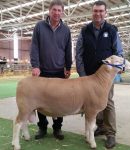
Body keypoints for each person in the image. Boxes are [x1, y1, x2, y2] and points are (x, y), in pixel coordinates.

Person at [75, 1, 123, 149]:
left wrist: (119, 68)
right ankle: (97, 127)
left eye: (101, 11)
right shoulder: (85, 30)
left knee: (106, 102)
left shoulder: (112, 30)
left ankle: (110, 133)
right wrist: (82, 74)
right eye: (95, 11)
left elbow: (118, 52)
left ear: (105, 13)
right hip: (88, 74)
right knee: (90, 103)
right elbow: (79, 54)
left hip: (105, 76)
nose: (98, 14)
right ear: (92, 12)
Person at [30, 0, 72, 140]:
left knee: (60, 101)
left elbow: (68, 50)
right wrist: (35, 66)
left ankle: (57, 128)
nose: (57, 13)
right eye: (54, 10)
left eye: (59, 10)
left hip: (59, 71)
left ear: (62, 12)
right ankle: (42, 127)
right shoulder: (39, 26)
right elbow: (34, 47)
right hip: (42, 71)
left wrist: (68, 67)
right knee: (40, 100)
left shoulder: (66, 30)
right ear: (49, 11)